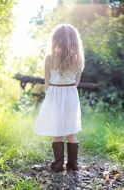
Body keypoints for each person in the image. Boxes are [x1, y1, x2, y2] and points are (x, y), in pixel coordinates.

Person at [34, 24, 85, 172]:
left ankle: (57, 165)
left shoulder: (49, 58)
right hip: (70, 94)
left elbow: (46, 81)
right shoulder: (78, 59)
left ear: (55, 39)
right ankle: (73, 165)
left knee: (56, 130)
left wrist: (53, 91)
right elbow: (76, 82)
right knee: (71, 131)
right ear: (75, 40)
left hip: (55, 94)